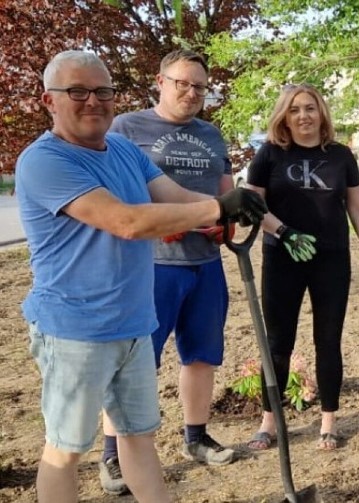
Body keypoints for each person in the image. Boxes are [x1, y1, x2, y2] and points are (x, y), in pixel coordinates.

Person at [15, 50, 266, 503]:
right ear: (49, 101)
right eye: (77, 91)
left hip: (133, 321)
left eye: (103, 91)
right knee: (65, 450)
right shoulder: (44, 161)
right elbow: (126, 221)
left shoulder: (125, 150)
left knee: (137, 436)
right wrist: (214, 207)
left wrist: (231, 206)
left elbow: (172, 195)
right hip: (75, 329)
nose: (93, 101)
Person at [97, 48, 236, 496]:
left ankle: (195, 437)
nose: (191, 92)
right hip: (150, 267)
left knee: (202, 355)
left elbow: (224, 190)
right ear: (160, 81)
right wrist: (163, 221)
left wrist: (225, 222)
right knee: (133, 363)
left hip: (205, 263)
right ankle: (112, 455)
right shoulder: (126, 129)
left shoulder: (212, 135)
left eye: (199, 86)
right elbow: (114, 195)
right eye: (182, 83)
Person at [244, 84, 359, 451]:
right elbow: (252, 205)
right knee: (278, 342)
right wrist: (285, 233)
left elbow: (357, 208)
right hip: (283, 257)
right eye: (295, 110)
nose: (303, 116)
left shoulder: (341, 156)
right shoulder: (269, 154)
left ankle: (328, 421)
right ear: (284, 116)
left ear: (322, 113)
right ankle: (270, 422)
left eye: (310, 108)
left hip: (330, 258)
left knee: (328, 340)